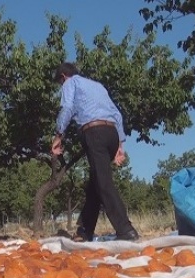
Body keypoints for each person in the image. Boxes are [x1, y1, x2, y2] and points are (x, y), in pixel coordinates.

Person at [51, 62, 139, 242]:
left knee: (103, 183)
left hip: (94, 132)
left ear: (63, 77)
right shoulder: (97, 86)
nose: (61, 86)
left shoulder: (70, 83)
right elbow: (117, 114)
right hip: (111, 133)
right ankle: (85, 231)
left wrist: (58, 135)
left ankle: (126, 230)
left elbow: (67, 107)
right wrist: (120, 145)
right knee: (95, 183)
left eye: (60, 83)